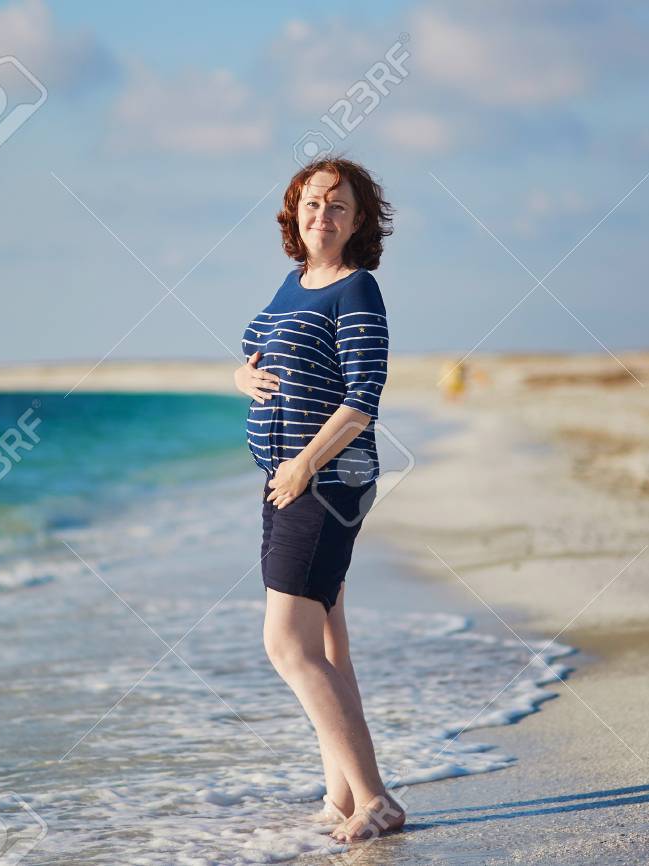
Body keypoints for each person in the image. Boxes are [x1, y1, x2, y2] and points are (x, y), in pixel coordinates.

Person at [233, 157, 405, 844]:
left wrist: (305, 463)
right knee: (329, 641)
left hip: (326, 484)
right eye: (312, 202)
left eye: (338, 206)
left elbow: (363, 399)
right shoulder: (293, 282)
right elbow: (254, 350)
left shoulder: (357, 290)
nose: (322, 215)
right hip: (286, 481)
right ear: (294, 211)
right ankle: (343, 792)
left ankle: (377, 799)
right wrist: (241, 378)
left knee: (286, 643)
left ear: (359, 221)